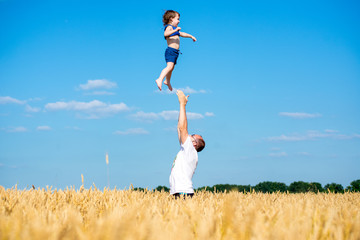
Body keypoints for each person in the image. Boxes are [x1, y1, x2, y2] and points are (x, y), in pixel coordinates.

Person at [169, 90, 205, 199]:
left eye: (192, 135)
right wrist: (181, 107)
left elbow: (182, 128)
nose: (189, 135)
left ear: (193, 143)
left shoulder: (190, 150)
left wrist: (182, 104)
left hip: (183, 193)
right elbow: (180, 128)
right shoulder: (187, 150)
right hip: (181, 192)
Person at [155, 10, 197, 91]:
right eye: (177, 19)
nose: (179, 21)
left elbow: (183, 34)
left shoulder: (175, 29)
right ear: (171, 19)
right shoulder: (169, 27)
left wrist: (191, 36)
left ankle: (167, 81)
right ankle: (159, 79)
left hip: (175, 52)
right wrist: (175, 30)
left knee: (171, 68)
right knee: (169, 67)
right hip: (170, 51)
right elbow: (166, 34)